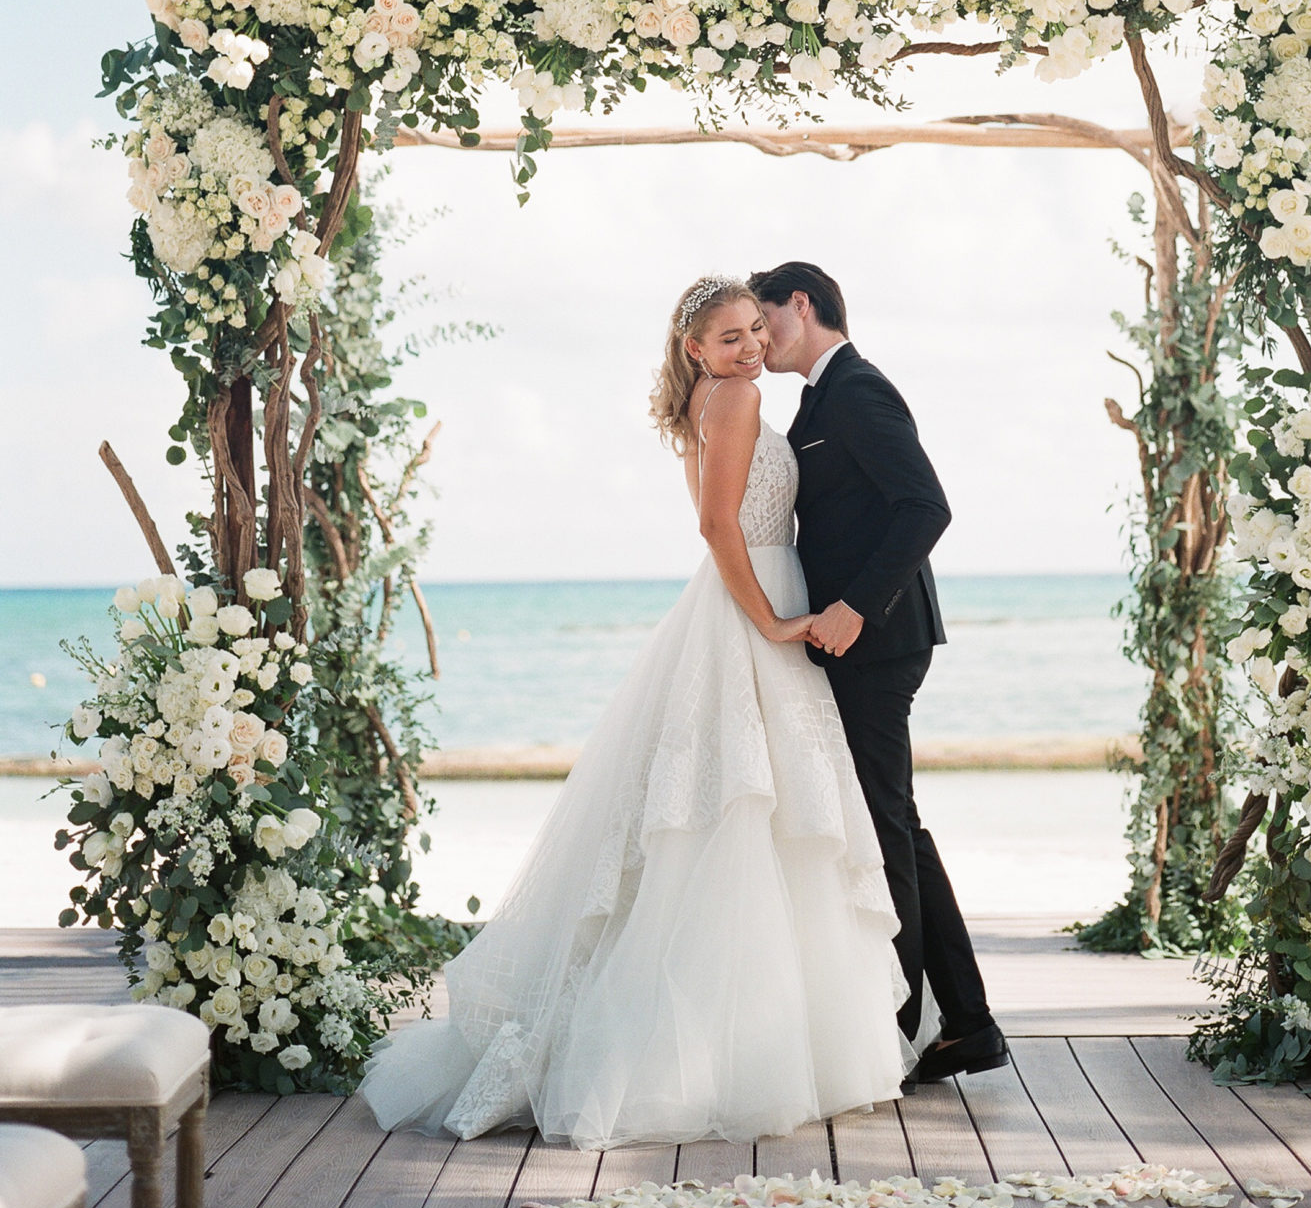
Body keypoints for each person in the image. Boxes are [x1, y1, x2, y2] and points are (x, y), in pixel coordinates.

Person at [360, 275, 906, 1149]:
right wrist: (768, 621)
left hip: (754, 593)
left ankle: (757, 1042)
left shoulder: (710, 397)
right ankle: (728, 1058)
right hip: (753, 598)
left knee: (754, 814)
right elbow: (718, 527)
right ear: (696, 349)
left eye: (750, 333)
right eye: (728, 337)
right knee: (747, 813)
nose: (749, 347)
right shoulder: (735, 398)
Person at [748, 261, 1008, 1085]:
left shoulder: (857, 389)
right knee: (895, 821)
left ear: (802, 303)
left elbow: (925, 505)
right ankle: (965, 1022)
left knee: (884, 825)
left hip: (882, 642)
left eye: (766, 323)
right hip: (850, 642)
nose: (761, 341)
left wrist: (857, 605)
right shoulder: (816, 399)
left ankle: (895, 1022)